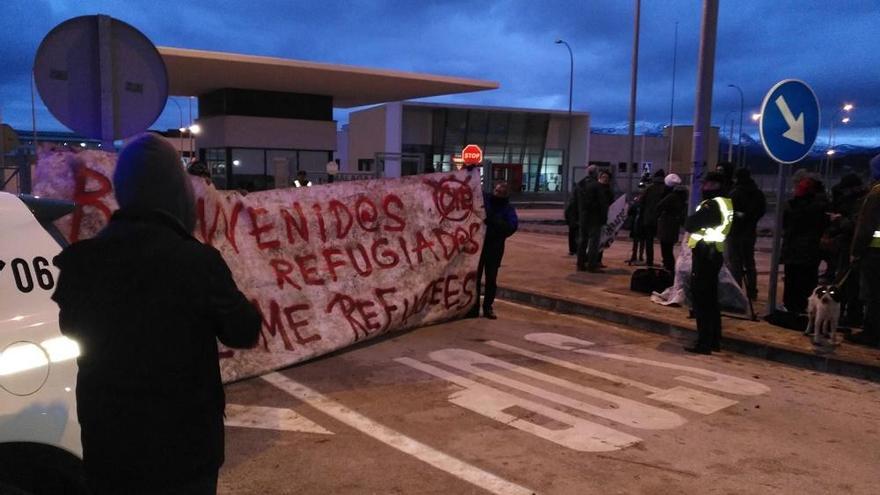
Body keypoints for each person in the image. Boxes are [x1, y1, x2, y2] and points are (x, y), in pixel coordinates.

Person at [51, 134, 261, 494]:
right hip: (182, 452)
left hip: (110, 445)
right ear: (175, 191)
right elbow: (242, 331)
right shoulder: (196, 261)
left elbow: (72, 330)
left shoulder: (82, 261)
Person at [684, 172, 733, 354]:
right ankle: (714, 340)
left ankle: (704, 342)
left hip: (706, 254)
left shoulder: (711, 205)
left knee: (702, 300)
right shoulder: (726, 203)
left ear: (714, 185)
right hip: (714, 253)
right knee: (711, 299)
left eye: (706, 183)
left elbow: (690, 224)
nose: (703, 187)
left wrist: (692, 219)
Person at [470, 180, 518, 319]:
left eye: (501, 192)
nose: (497, 194)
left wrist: (493, 221)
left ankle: (487, 307)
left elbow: (511, 227)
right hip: (480, 247)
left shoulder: (507, 210)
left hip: (494, 248)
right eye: (497, 191)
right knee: (476, 279)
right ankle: (474, 307)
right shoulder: (487, 201)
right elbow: (473, 190)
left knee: (491, 279)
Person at [781, 175, 829, 314]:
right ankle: (802, 310)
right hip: (807, 251)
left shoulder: (798, 206)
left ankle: (794, 310)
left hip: (799, 250)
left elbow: (789, 224)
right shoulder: (820, 206)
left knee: (795, 283)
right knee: (803, 282)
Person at [847, 154, 880, 347]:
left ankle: (871, 333)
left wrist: (856, 252)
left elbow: (865, 228)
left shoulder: (876, 194)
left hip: (874, 254)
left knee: (872, 295)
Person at [828, 173, 868, 326]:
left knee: (852, 285)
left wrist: (840, 220)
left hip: (856, 250)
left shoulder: (863, 202)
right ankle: (846, 315)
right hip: (850, 247)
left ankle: (853, 317)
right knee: (846, 283)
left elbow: (857, 226)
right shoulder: (856, 200)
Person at [727, 168, 767, 300]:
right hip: (749, 231)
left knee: (736, 263)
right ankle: (752, 292)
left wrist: (738, 216)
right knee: (749, 263)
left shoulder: (735, 193)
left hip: (735, 231)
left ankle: (737, 291)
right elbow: (762, 210)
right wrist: (751, 219)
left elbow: (728, 211)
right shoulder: (757, 193)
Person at [577, 168, 612, 272]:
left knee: (582, 241)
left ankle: (580, 264)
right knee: (593, 242)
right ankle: (592, 265)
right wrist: (604, 218)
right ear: (597, 174)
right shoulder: (597, 186)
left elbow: (574, 201)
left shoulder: (580, 185)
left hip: (583, 217)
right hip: (595, 218)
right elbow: (603, 204)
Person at [656, 173, 687, 273]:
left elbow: (659, 206)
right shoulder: (682, 196)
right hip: (673, 226)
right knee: (668, 250)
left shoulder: (671, 196)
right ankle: (669, 269)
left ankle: (669, 270)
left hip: (667, 225)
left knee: (666, 250)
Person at [640, 169, 667, 267]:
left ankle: (649, 261)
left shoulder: (649, 188)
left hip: (649, 218)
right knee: (664, 242)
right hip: (661, 220)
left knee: (649, 241)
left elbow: (641, 202)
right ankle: (665, 261)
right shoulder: (666, 189)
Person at [565, 190, 579, 256]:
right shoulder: (577, 203)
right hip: (575, 221)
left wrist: (567, 220)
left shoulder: (571, 202)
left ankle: (572, 250)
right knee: (576, 235)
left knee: (572, 235)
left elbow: (566, 212)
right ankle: (574, 250)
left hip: (572, 221)